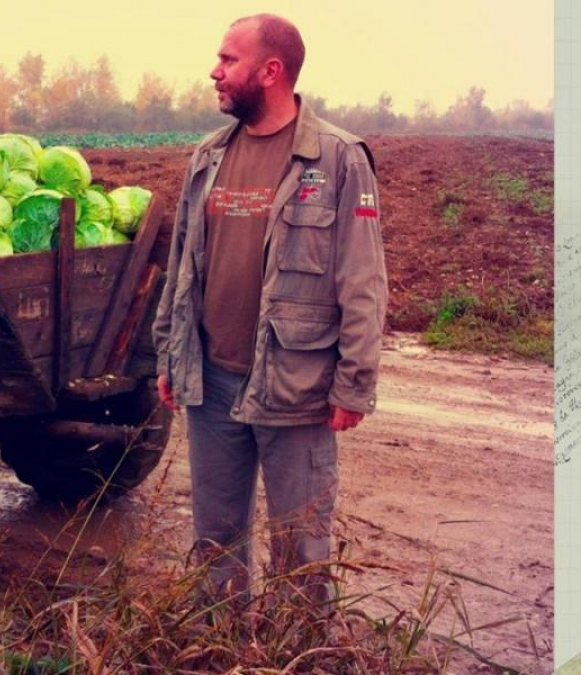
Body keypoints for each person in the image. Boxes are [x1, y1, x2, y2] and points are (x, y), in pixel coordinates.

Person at [151, 13, 388, 605]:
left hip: (297, 386)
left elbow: (363, 278)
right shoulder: (208, 157)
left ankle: (296, 650)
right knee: (215, 539)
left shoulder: (337, 158)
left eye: (228, 59)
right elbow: (182, 265)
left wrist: (353, 383)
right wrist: (169, 354)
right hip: (212, 381)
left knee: (300, 543)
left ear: (271, 70)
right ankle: (218, 645)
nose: (215, 71)